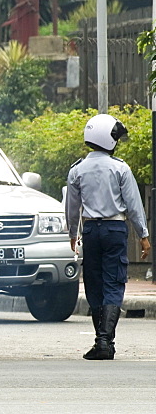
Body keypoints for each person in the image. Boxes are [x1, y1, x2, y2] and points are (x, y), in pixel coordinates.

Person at [66, 113, 151, 360]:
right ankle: (105, 341)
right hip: (115, 230)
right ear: (109, 139)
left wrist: (73, 233)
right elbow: (134, 205)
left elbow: (72, 207)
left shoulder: (78, 170)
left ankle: (102, 342)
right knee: (114, 282)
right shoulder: (120, 168)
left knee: (94, 283)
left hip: (91, 231)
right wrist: (143, 235)